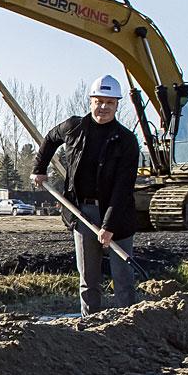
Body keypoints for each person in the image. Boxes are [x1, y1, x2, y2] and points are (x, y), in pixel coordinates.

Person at [31, 74, 139, 316]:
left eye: (109, 103)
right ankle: (90, 326)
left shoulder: (127, 141)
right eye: (99, 101)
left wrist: (109, 226)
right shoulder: (74, 127)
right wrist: (40, 169)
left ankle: (129, 327)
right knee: (88, 279)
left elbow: (123, 188)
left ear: (116, 105)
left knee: (123, 278)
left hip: (117, 216)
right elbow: (50, 139)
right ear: (91, 101)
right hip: (82, 211)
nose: (103, 107)